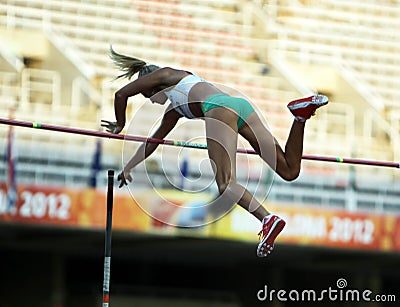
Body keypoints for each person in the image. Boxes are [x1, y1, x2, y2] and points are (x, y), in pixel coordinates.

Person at [101, 46, 328, 257]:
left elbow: (120, 95)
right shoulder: (174, 109)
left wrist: (120, 123)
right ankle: (300, 116)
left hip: (220, 110)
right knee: (289, 170)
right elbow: (154, 140)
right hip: (240, 107)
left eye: (147, 95)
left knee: (225, 184)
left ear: (149, 85)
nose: (150, 101)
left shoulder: (166, 74)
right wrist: (129, 166)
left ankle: (267, 219)